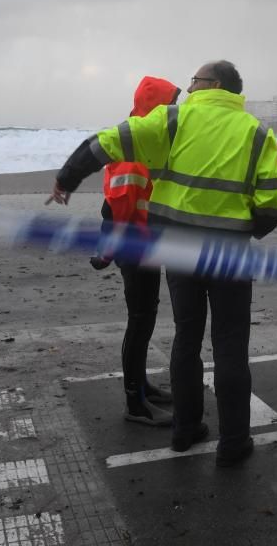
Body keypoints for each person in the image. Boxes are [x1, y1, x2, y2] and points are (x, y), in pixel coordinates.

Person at [49, 60, 277, 466]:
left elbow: (107, 141)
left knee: (186, 337)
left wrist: (67, 178)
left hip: (179, 249)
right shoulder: (257, 133)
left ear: (211, 83)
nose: (189, 86)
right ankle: (233, 444)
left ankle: (185, 430)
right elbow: (272, 199)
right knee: (231, 346)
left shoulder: (174, 119)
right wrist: (253, 227)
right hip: (230, 252)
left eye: (194, 80)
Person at [91, 76, 181, 427]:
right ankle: (135, 402)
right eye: (171, 103)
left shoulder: (145, 140)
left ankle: (142, 386)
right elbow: (118, 210)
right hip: (135, 247)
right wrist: (108, 252)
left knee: (145, 316)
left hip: (145, 244)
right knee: (140, 320)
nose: (176, 110)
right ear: (155, 107)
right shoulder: (133, 150)